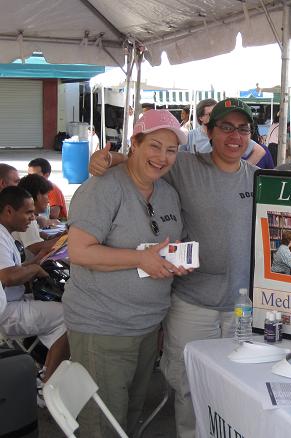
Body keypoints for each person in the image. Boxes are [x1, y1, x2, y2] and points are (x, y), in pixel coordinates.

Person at [89, 98, 257, 437]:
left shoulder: (259, 179)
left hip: (243, 306)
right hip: (191, 304)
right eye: (226, 127)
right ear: (208, 132)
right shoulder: (185, 165)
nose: (234, 136)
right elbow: (146, 159)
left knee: (236, 390)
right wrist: (107, 158)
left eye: (242, 129)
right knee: (188, 387)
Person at [63, 109, 188, 437]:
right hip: (103, 327)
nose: (162, 157)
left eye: (171, 150)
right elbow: (79, 251)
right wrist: (139, 259)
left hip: (146, 327)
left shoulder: (167, 192)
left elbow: (160, 247)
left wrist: (173, 260)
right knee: (102, 425)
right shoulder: (103, 188)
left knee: (129, 419)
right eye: (154, 146)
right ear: (135, 142)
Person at [0, 186, 69, 384]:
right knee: (70, 315)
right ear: (9, 211)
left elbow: (13, 270)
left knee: (61, 304)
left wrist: (36, 261)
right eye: (28, 212)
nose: (33, 218)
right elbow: (7, 277)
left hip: (13, 301)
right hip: (7, 311)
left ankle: (46, 368)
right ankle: (48, 381)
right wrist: (36, 269)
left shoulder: (6, 233)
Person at [181, 98, 265, 166]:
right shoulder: (190, 136)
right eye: (211, 114)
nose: (216, 116)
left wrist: (243, 169)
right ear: (200, 117)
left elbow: (259, 151)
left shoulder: (232, 136)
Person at [15, 175, 61, 257]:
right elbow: (36, 248)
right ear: (38, 195)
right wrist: (67, 239)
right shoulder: (27, 219)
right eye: (46, 195)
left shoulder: (24, 215)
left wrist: (59, 236)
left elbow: (39, 235)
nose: (48, 200)